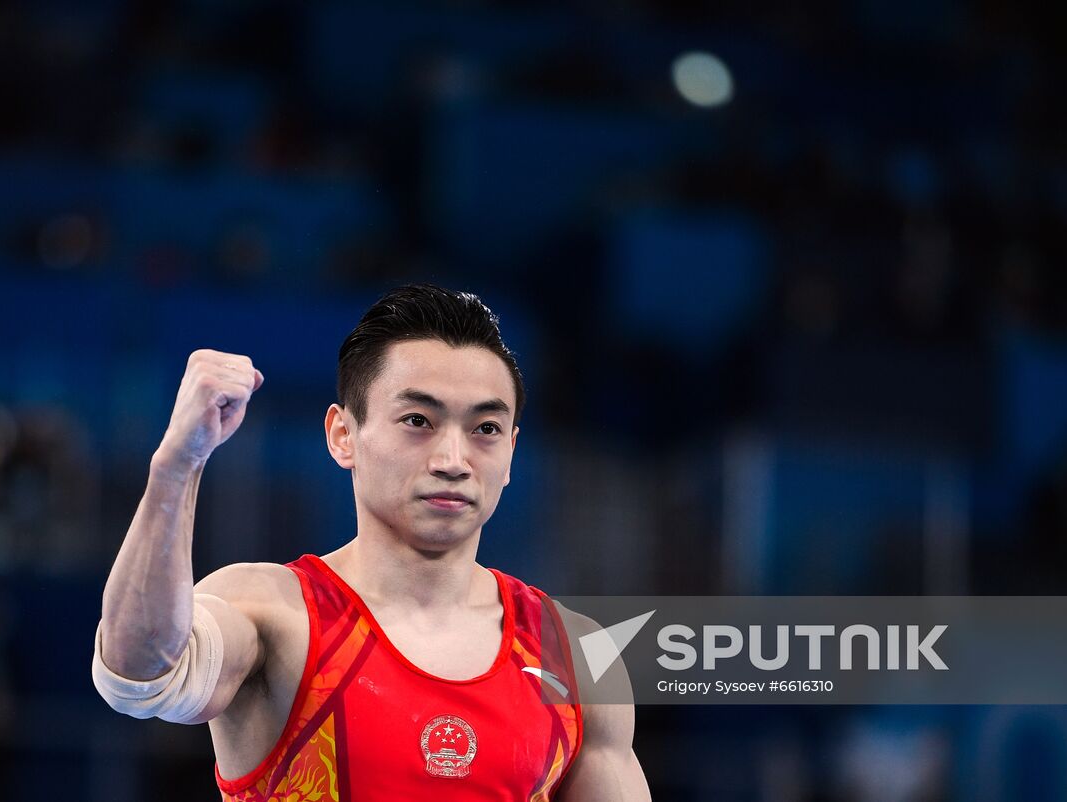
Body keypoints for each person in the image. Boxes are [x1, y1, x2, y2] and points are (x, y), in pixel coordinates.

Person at [93, 284, 651, 800]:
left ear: (511, 453)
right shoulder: (275, 613)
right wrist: (176, 467)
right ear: (343, 435)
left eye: (485, 429)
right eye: (418, 420)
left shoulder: (573, 656)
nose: (453, 461)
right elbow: (138, 676)